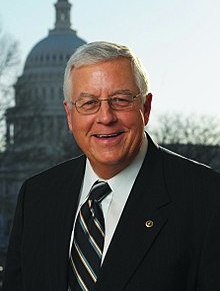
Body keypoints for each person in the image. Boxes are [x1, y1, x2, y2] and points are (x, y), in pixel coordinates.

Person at [3, 41, 220, 291]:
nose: (105, 117)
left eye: (120, 100)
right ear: (69, 116)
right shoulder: (36, 195)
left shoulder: (206, 197)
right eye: (88, 103)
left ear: (146, 108)